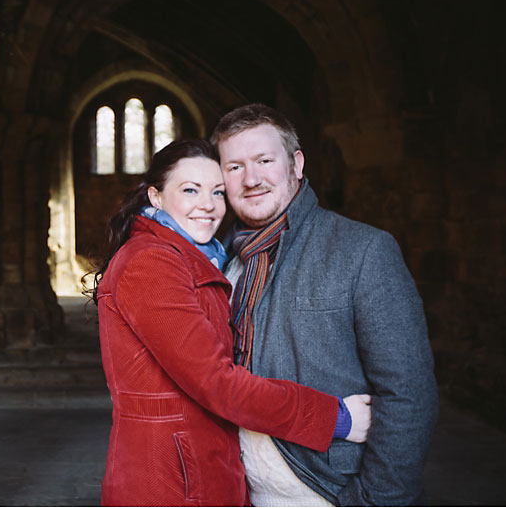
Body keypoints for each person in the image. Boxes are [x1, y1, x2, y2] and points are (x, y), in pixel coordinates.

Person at [92, 138, 372, 507]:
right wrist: (335, 418)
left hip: (200, 464)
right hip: (167, 479)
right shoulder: (151, 263)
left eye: (218, 192)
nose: (208, 205)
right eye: (190, 190)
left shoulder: (195, 256)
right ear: (156, 197)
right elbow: (216, 382)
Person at [211, 104, 438, 506]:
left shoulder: (363, 250)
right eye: (234, 167)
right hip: (239, 492)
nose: (251, 179)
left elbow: (407, 393)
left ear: (296, 164)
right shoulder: (221, 264)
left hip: (329, 491)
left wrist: (373, 501)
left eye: (265, 160)